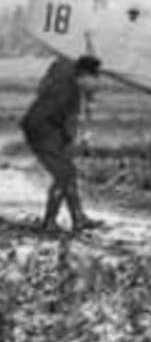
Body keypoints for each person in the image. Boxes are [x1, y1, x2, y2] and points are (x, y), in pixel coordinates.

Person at [21, 54, 105, 233]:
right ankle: (51, 221)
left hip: (49, 130)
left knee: (66, 173)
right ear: (83, 75)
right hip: (41, 131)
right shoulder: (66, 91)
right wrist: (74, 141)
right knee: (65, 173)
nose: (96, 83)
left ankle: (78, 218)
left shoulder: (66, 79)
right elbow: (67, 121)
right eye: (94, 78)